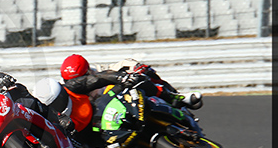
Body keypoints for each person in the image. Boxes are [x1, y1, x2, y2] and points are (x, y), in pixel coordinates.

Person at [59, 54, 203, 109]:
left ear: (88, 71)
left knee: (143, 76)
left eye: (81, 78)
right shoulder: (62, 90)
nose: (78, 83)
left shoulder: (97, 72)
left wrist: (135, 67)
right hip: (96, 119)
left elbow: (118, 66)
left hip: (120, 102)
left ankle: (175, 96)